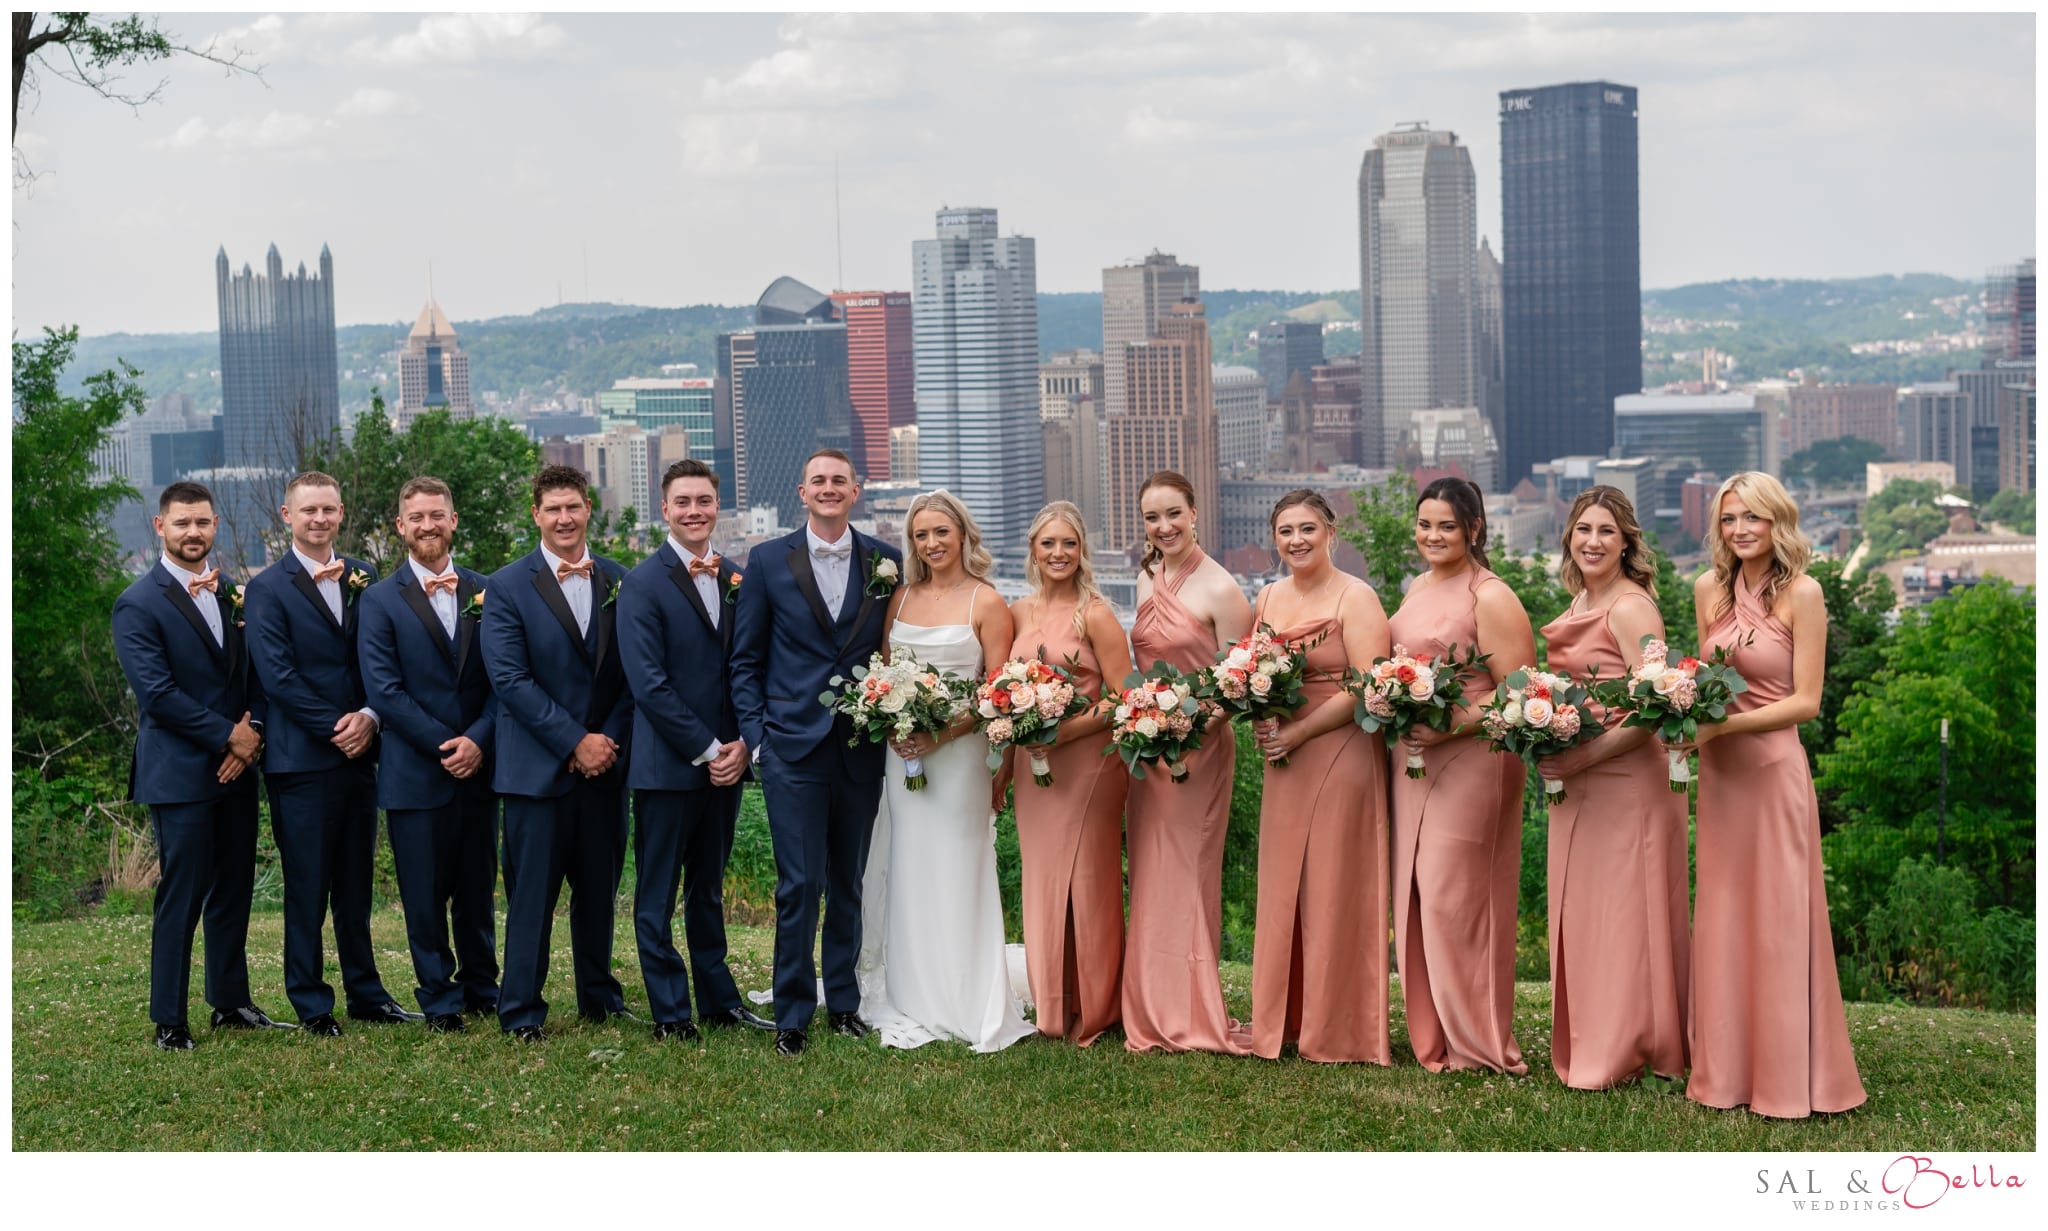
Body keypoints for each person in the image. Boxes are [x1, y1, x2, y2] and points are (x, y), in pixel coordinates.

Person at [1681, 472, 1865, 1117]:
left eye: (1752, 518)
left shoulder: (1804, 594)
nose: (1739, 530)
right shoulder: (1707, 588)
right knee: (1725, 917)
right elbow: (1702, 677)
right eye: (1729, 519)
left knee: (1780, 923)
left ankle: (1791, 1079)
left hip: (1772, 772)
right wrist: (1681, 709)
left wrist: (1719, 726)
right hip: (1720, 777)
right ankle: (1725, 1075)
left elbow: (1806, 703)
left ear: (1777, 522)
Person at [729, 449, 901, 1057]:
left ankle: (845, 1003)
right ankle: (793, 1014)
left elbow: (892, 654)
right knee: (798, 885)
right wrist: (758, 741)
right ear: (802, 492)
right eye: (818, 481)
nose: (829, 489)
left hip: (859, 747)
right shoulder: (768, 560)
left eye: (840, 481)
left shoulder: (887, 562)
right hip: (790, 749)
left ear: (856, 492)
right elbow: (745, 661)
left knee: (848, 882)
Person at [856, 491, 1035, 1053]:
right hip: (903, 753)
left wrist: (940, 734)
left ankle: (963, 993)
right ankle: (911, 989)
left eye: (941, 533)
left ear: (963, 535)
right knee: (907, 865)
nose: (931, 544)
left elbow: (998, 692)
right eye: (920, 535)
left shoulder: (987, 602)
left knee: (959, 867)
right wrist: (890, 717)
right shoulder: (901, 597)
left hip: (959, 760)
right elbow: (884, 671)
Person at [112, 481, 285, 1049]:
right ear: (159, 527)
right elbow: (157, 694)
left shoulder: (234, 592)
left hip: (239, 766)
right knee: (182, 894)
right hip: (181, 773)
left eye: (203, 523)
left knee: (234, 887)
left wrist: (252, 733)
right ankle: (170, 1019)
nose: (194, 533)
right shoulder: (137, 602)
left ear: (215, 525)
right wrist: (228, 738)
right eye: (182, 523)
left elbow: (256, 678)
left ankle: (230, 1002)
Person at [243, 470, 413, 1037]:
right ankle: (312, 1002)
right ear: (287, 516)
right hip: (301, 759)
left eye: (329, 510)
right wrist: (337, 726)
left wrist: (369, 716)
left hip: (361, 753)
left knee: (355, 883)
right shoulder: (267, 587)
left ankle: (367, 993)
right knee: (308, 885)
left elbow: (381, 659)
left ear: (342, 514)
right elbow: (277, 676)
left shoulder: (364, 575)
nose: (320, 519)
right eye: (308, 511)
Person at [1532, 486, 1690, 1089]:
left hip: (1626, 780)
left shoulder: (1631, 608)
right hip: (1580, 779)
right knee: (1586, 912)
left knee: (1627, 914)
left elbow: (1658, 709)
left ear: (1627, 541)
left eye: (1605, 531)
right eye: (1582, 530)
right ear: (1569, 536)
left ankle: (1634, 1048)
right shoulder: (1580, 598)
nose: (1592, 541)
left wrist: (1584, 757)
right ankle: (1596, 1036)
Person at [617, 460, 774, 1043]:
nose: (693, 511)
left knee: (707, 890)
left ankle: (719, 1002)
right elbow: (648, 683)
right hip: (667, 766)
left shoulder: (737, 577)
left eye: (704, 501)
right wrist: (708, 748)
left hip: (727, 765)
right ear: (665, 509)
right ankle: (669, 1012)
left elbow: (745, 669)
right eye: (682, 501)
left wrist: (739, 746)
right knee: (656, 894)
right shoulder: (641, 582)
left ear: (717, 506)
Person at [480, 465, 634, 1041]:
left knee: (598, 894)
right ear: (536, 516)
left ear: (588, 507)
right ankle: (520, 1010)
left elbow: (630, 678)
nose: (564, 518)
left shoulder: (620, 579)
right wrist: (575, 742)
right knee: (531, 902)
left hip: (605, 769)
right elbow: (509, 680)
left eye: (573, 507)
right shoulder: (506, 586)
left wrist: (605, 742)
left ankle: (599, 997)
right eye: (553, 510)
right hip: (535, 773)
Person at [1387, 476, 1531, 1075]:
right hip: (1414, 759)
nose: (1433, 535)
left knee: (1456, 898)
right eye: (1425, 525)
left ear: (1474, 529)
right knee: (1417, 895)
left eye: (1447, 525)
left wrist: (1450, 726)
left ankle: (1478, 1042)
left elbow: (1522, 692)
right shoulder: (1417, 586)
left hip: (1473, 758)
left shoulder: (1491, 596)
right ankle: (1435, 1037)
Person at [1247, 491, 1393, 1064]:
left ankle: (1339, 1028)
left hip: (1340, 749)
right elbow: (1255, 670)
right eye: (1285, 531)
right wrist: (1261, 711)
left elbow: (1367, 684)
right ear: (1274, 538)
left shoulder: (1357, 598)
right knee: (1284, 886)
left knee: (1335, 885)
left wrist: (1301, 731)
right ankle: (1283, 1021)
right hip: (1284, 754)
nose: (1297, 540)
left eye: (1308, 528)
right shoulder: (1267, 596)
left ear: (1332, 532)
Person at [355, 476, 500, 1033]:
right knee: (423, 896)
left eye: (437, 515)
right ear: (401, 526)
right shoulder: (379, 600)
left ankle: (482, 986)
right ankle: (438, 998)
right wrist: (447, 745)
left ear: (453, 520)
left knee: (476, 889)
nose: (428, 525)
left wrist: (479, 739)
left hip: (480, 767)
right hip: (416, 771)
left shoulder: (488, 590)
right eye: (416, 517)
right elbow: (385, 690)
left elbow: (501, 679)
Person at [1121, 471, 1252, 1055]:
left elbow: (1238, 683)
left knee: (1188, 870)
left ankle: (1192, 1009)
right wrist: (1148, 725)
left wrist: (1190, 730)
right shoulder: (1146, 576)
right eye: (1152, 517)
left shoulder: (1222, 588)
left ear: (1195, 512)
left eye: (1173, 513)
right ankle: (1152, 1002)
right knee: (1151, 870)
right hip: (1148, 748)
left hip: (1198, 750)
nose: (1164, 526)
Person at [1006, 501, 1131, 1046]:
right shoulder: (1017, 611)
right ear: (1033, 550)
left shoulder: (1096, 614)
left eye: (1069, 544)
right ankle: (1052, 1010)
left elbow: (1128, 700)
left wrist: (1065, 730)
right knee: (1042, 881)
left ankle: (1098, 1007)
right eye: (1048, 544)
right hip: (1031, 769)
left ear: (1083, 552)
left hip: (1089, 765)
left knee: (1089, 880)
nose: (1058, 554)